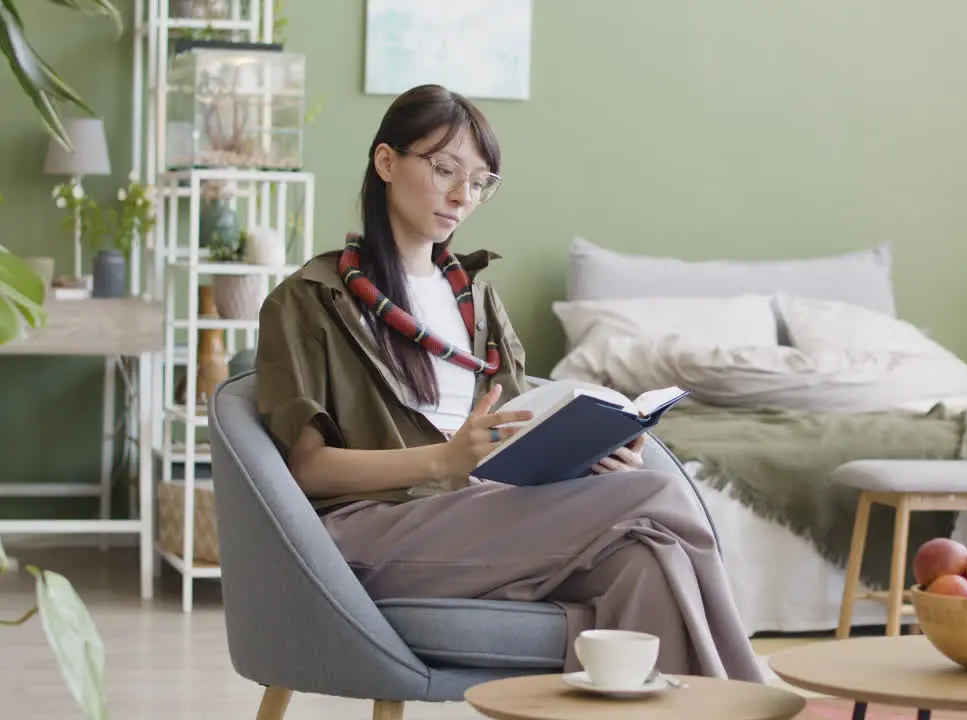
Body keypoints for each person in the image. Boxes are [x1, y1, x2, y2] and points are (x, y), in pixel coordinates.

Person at [254, 83, 764, 682]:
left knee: (646, 562)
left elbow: (521, 435)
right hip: (367, 535)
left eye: (479, 182)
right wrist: (440, 461)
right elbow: (306, 470)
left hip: (481, 517)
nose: (461, 195)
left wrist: (595, 460)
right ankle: (753, 695)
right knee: (656, 492)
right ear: (386, 162)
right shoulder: (310, 300)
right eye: (445, 169)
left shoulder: (478, 303)